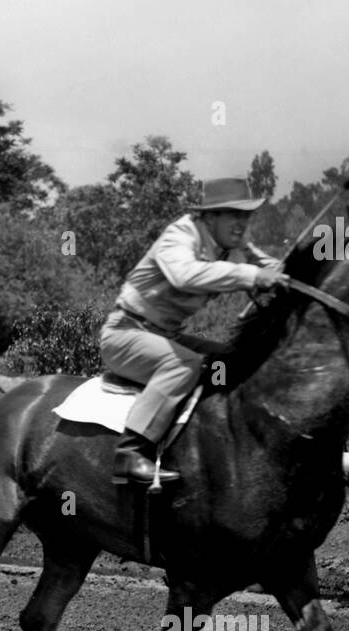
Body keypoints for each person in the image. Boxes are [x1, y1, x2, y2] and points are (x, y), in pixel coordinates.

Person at [101, 176, 289, 484]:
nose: (243, 223)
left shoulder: (234, 244)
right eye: (235, 214)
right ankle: (129, 453)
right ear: (210, 216)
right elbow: (183, 275)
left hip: (165, 335)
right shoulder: (180, 234)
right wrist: (251, 275)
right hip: (125, 334)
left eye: (246, 215)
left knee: (232, 360)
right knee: (183, 364)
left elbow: (273, 269)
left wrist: (304, 273)